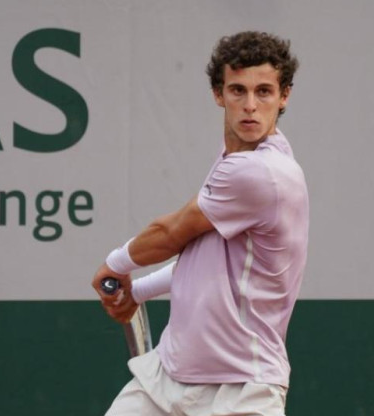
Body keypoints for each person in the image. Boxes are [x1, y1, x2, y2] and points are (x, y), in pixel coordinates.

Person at [92, 31, 309, 416]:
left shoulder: (261, 172)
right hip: (168, 376)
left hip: (241, 389)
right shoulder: (236, 159)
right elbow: (207, 260)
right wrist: (138, 291)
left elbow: (171, 233)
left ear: (284, 96)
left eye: (264, 92)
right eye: (237, 90)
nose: (250, 106)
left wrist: (117, 265)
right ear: (218, 94)